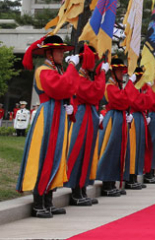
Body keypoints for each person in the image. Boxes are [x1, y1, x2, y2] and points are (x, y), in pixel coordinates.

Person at [17, 34, 79, 218]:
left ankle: (48, 201)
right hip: (49, 115)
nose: (62, 54)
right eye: (59, 51)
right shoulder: (43, 70)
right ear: (50, 53)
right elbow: (61, 88)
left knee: (56, 156)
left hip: (57, 113)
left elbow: (68, 89)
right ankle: (39, 203)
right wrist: (73, 67)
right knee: (45, 155)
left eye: (61, 51)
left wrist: (69, 107)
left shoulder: (55, 69)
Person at [65, 45, 107, 206]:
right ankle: (75, 189)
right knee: (78, 151)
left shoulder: (86, 77)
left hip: (89, 114)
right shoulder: (79, 77)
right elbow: (94, 93)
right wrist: (102, 73)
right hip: (81, 114)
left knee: (87, 153)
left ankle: (82, 187)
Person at [96, 57, 138, 196]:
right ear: (113, 73)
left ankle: (112, 181)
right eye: (119, 71)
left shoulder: (116, 86)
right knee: (111, 150)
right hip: (113, 119)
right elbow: (122, 100)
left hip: (119, 118)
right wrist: (130, 84)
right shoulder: (110, 86)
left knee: (119, 151)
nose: (122, 74)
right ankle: (107, 183)